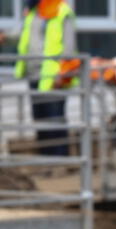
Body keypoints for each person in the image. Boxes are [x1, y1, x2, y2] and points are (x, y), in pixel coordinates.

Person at [14, 0, 77, 156]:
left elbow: (68, 48)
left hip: (53, 77)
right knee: (40, 119)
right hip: (34, 75)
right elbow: (24, 35)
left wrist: (61, 74)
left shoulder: (62, 12)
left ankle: (60, 160)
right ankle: (46, 160)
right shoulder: (33, 12)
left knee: (54, 120)